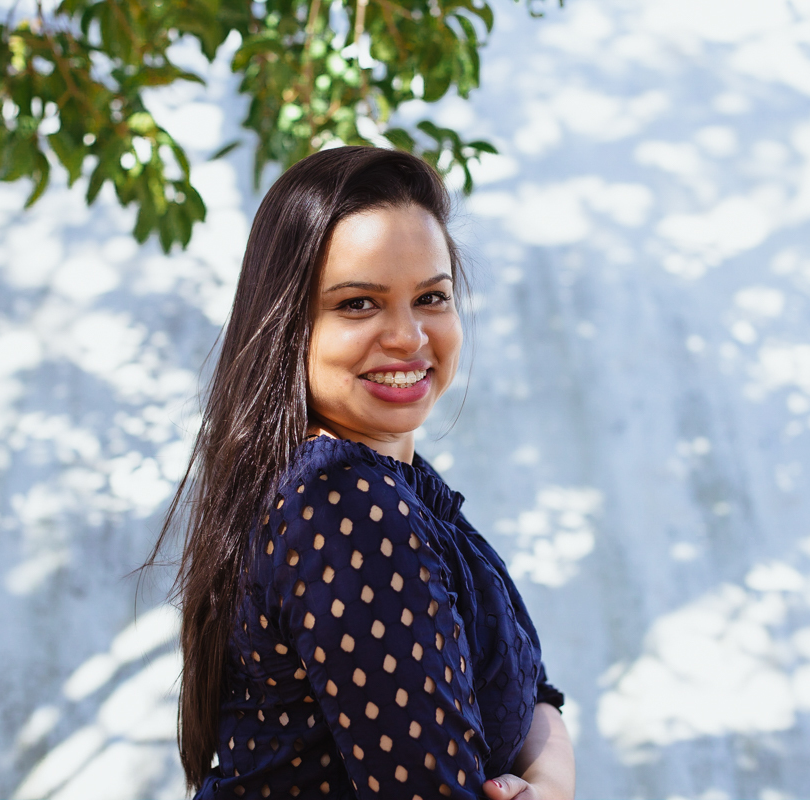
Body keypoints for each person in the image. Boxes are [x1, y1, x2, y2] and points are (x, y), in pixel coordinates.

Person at [153, 145, 574, 799]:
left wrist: (547, 783)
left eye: (430, 297)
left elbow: (534, 688)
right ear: (290, 325)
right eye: (358, 304)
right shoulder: (343, 503)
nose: (408, 336)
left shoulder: (404, 488)